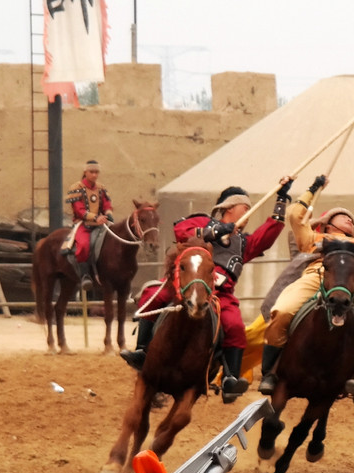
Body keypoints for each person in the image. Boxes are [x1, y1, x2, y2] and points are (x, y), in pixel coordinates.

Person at [121, 178, 291, 404]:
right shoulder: (204, 221)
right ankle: (142, 351)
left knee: (235, 327)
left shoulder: (242, 242)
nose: (249, 213)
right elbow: (181, 231)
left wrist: (281, 200)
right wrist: (215, 230)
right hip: (186, 284)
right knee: (154, 295)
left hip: (220, 295)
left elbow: (266, 236)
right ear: (230, 207)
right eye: (246, 208)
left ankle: (230, 378)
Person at [261, 174, 354, 405]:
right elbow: (295, 216)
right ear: (328, 223)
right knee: (282, 310)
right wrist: (314, 188)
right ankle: (271, 371)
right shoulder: (313, 238)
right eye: (343, 217)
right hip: (314, 276)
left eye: (352, 220)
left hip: (350, 281)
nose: (350, 220)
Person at [61, 159, 113, 292]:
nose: (95, 175)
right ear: (85, 172)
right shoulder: (76, 188)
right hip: (83, 224)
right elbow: (79, 210)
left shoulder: (101, 188)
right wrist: (96, 217)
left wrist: (108, 214)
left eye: (96, 172)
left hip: (102, 223)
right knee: (83, 245)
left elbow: (106, 204)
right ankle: (85, 276)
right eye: (92, 172)